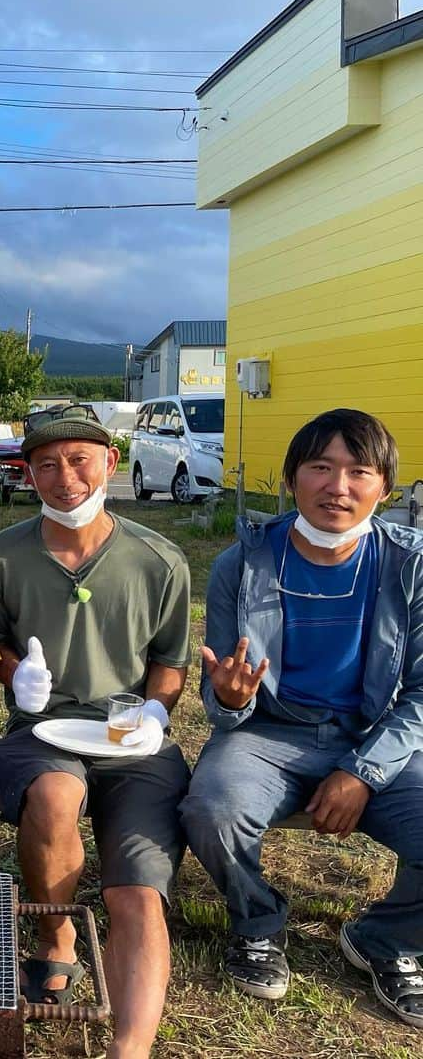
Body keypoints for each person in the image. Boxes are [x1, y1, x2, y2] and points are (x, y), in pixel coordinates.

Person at [180, 409, 422, 1029]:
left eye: (357, 471)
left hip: (375, 735)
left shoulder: (409, 566)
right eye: (319, 467)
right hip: (268, 734)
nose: (336, 486)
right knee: (212, 807)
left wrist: (363, 771)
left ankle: (387, 939)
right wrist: (232, 700)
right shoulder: (245, 562)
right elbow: (224, 693)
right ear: (291, 480)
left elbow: (420, 695)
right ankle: (258, 924)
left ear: (384, 490)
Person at [0, 408, 192, 1059]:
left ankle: (129, 1049)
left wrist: (155, 713)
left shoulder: (159, 560)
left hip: (130, 734)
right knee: (53, 799)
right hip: (44, 729)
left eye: (79, 460)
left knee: (135, 892)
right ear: (27, 472)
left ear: (109, 463)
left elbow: (171, 659)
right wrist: (17, 677)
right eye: (46, 464)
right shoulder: (0, 556)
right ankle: (57, 937)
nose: (64, 477)